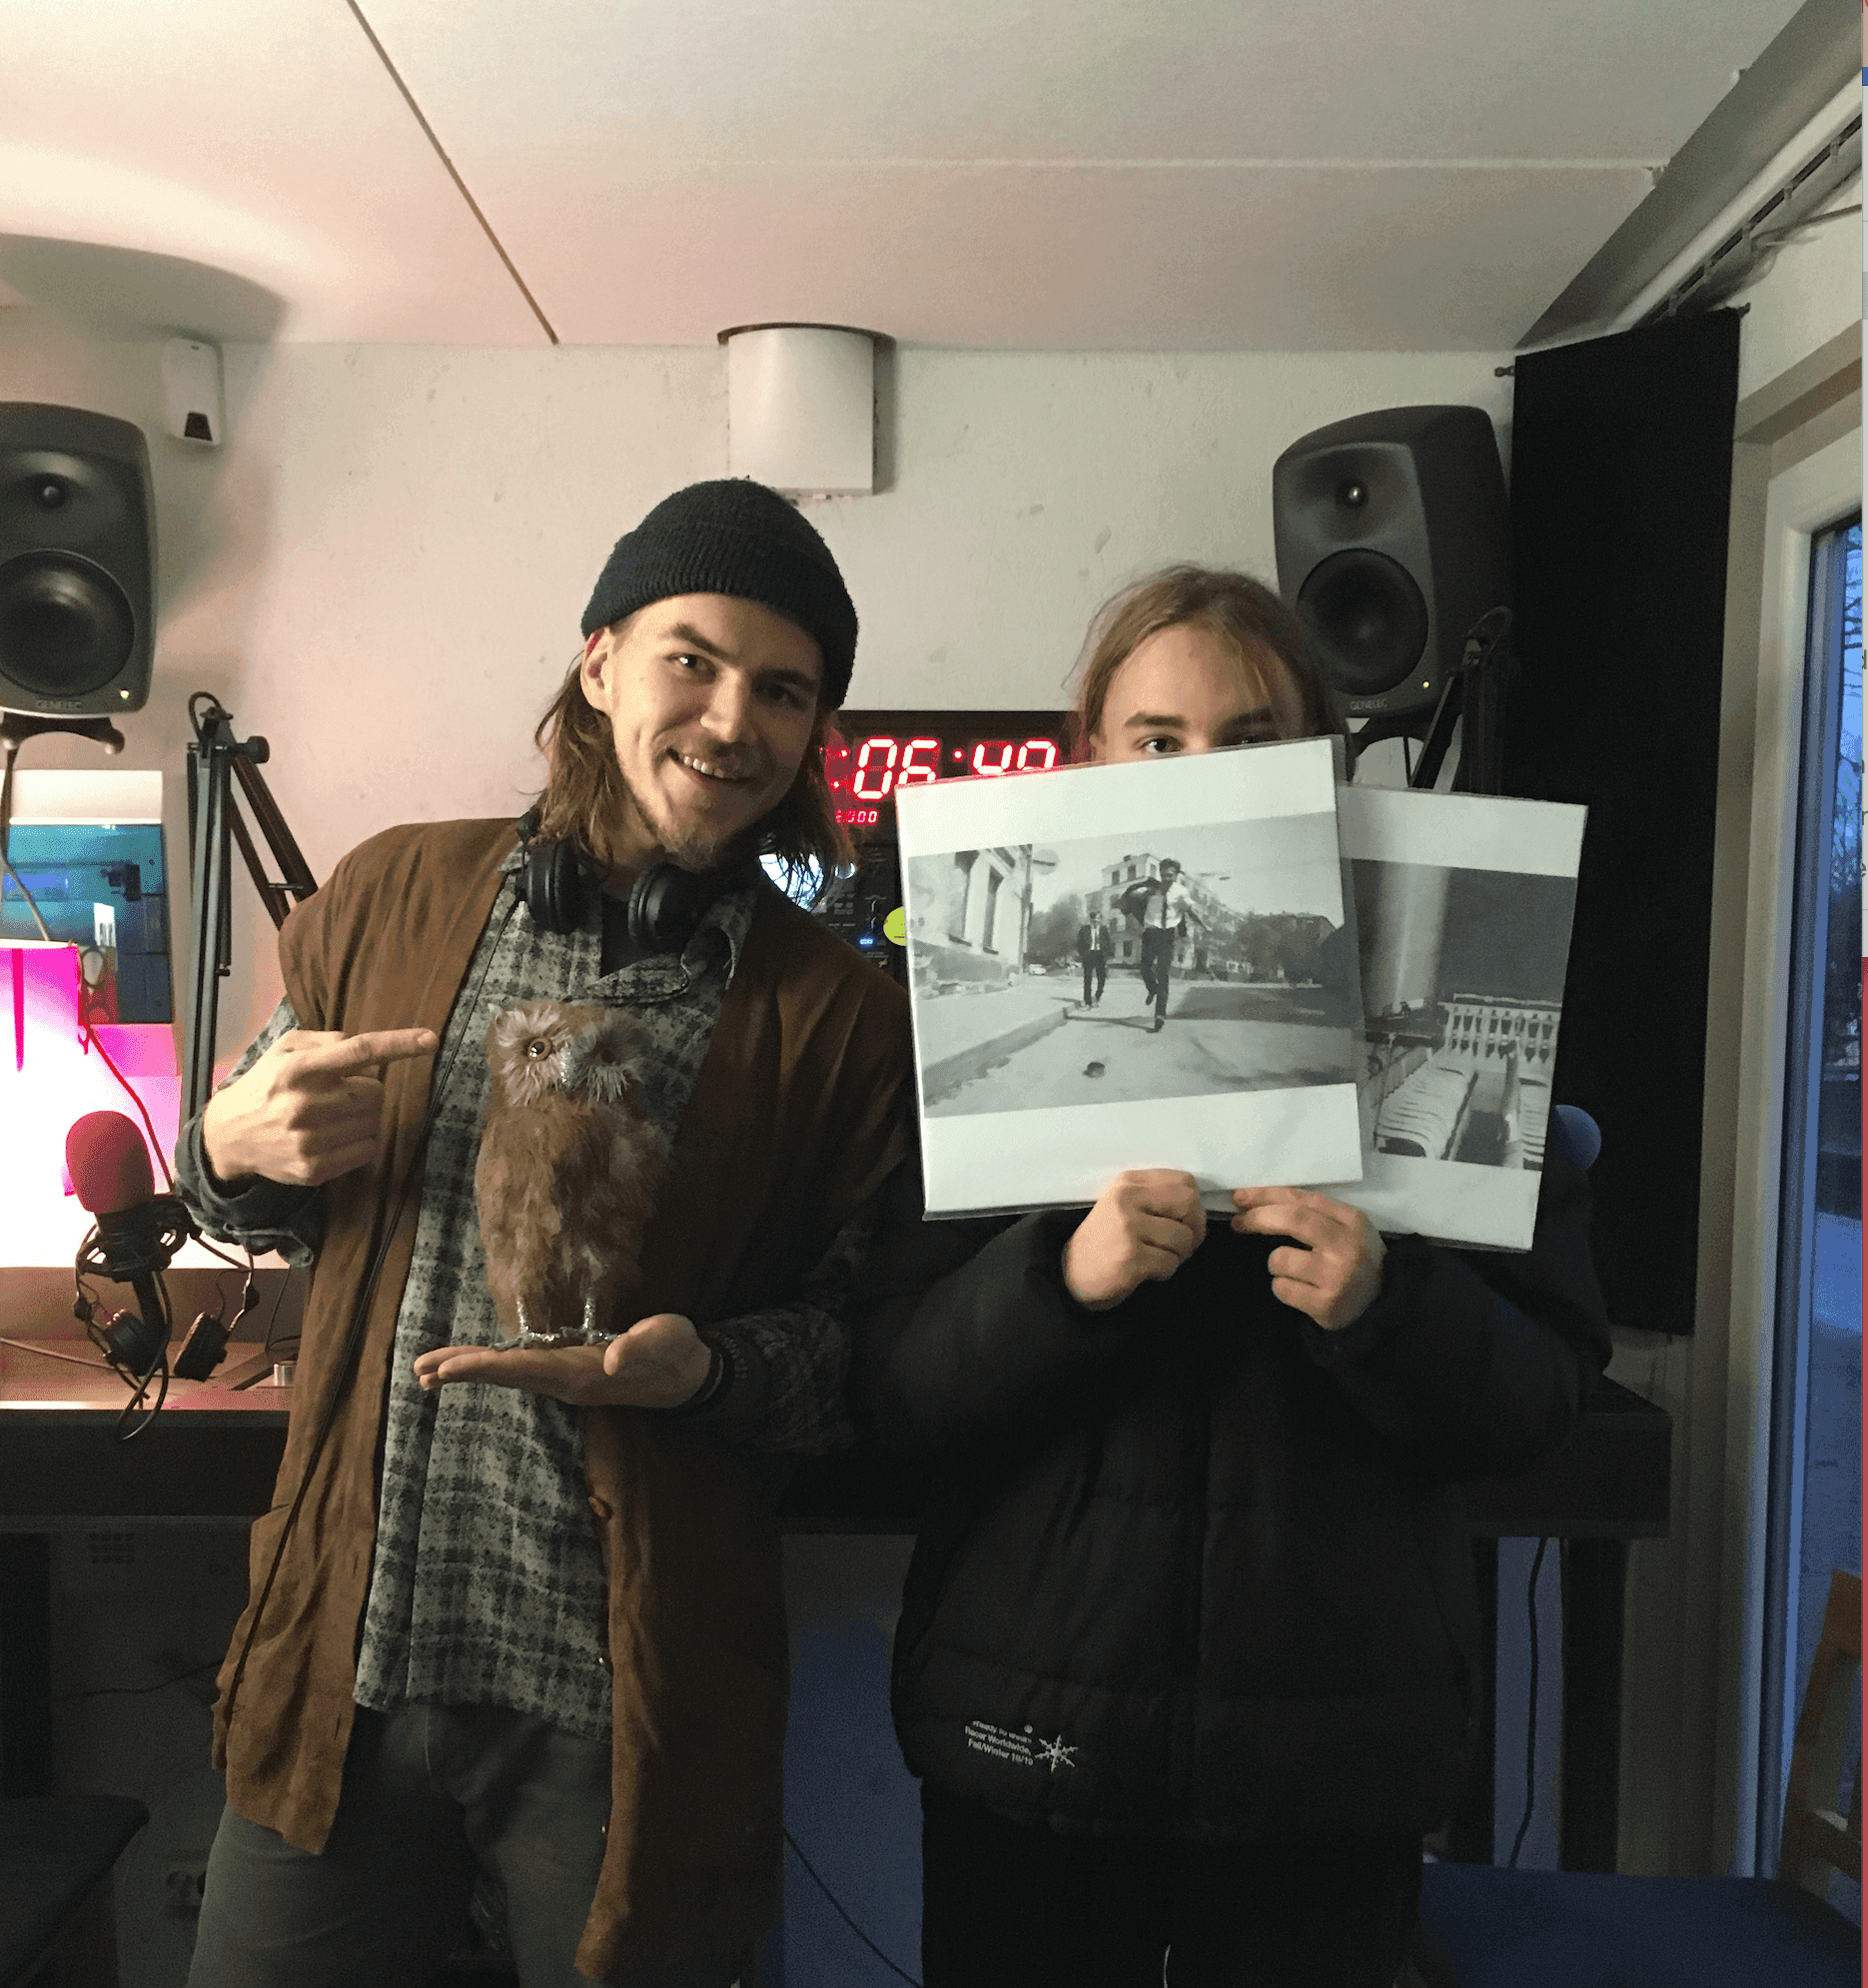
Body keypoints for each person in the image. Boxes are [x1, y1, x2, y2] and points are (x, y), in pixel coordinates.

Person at [177, 480, 913, 1988]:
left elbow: (854, 1350)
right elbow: (247, 1184)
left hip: (623, 1702)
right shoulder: (391, 892)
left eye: (783, 690)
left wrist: (706, 1370)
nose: (731, 720)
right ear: (600, 664)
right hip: (344, 1657)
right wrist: (224, 1148)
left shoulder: (840, 1017)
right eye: (692, 659)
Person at [853, 564, 1609, 1988]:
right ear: (1091, 755)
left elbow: (1538, 1403)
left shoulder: (1457, 1030)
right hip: (1037, 1740)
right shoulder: (943, 1050)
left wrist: (1388, 1307)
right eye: (1158, 738)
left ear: (1320, 756)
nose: (1202, 770)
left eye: (1251, 737)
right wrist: (1056, 1281)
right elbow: (895, 1396)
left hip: (1326, 1766)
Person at [1116, 854, 1206, 1029]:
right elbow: (1132, 895)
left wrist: (1203, 925)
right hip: (1150, 933)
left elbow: (1189, 911)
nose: (1166, 879)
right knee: (1144, 967)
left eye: (1170, 875)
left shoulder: (1181, 892)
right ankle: (1152, 989)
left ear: (1176, 875)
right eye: (1163, 875)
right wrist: (1141, 895)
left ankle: (1160, 1016)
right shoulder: (1151, 887)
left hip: (1167, 936)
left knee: (1163, 975)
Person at [1075, 909, 1111, 1007]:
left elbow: (1108, 944)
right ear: (1091, 920)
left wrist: (1107, 957)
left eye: (1098, 919)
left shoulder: (1104, 929)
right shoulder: (1084, 929)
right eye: (1094, 920)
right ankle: (1087, 1000)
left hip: (1100, 955)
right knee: (1087, 978)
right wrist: (1083, 955)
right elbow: (1079, 943)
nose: (1096, 922)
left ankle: (1098, 995)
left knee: (1101, 978)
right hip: (1089, 955)